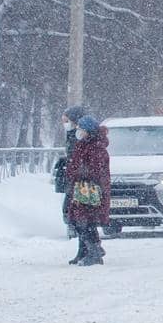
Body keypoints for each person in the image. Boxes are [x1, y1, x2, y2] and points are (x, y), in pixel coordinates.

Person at [64, 115, 111, 267]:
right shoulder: (83, 144)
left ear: (88, 131)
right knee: (79, 220)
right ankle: (85, 250)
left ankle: (94, 251)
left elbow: (96, 170)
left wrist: (80, 172)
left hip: (90, 189)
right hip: (80, 188)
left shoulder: (96, 147)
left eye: (81, 129)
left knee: (85, 221)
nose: (78, 132)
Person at [53, 105, 88, 236]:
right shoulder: (71, 134)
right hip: (74, 178)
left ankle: (89, 246)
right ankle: (82, 240)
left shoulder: (80, 136)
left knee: (77, 210)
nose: (65, 124)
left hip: (81, 180)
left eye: (67, 121)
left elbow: (81, 158)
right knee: (71, 208)